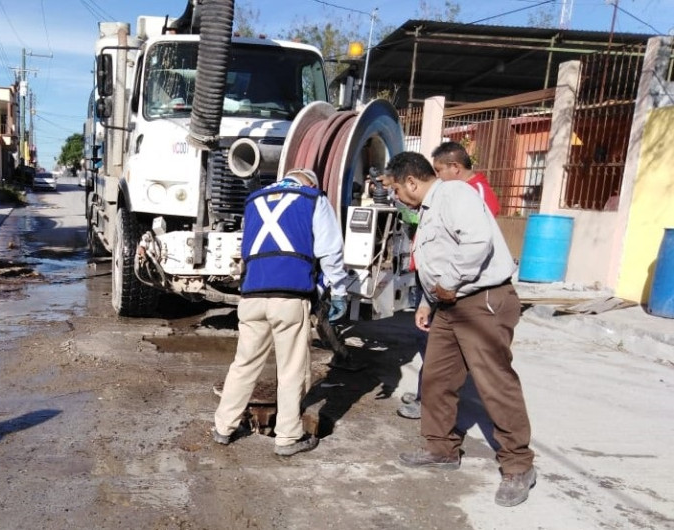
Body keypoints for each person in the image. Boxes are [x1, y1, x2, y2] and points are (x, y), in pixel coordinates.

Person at [378, 152, 536, 508]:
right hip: (449, 305)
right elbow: (436, 259)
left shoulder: (455, 194)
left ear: (411, 182)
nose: (396, 197)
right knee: (437, 378)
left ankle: (518, 465)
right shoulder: (430, 208)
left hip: (481, 303)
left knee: (495, 383)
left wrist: (447, 283)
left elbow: (478, 243)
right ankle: (441, 449)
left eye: (397, 190)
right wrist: (427, 301)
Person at [212, 168, 349, 457]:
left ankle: (223, 427)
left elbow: (246, 249)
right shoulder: (313, 198)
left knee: (244, 364)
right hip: (289, 296)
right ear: (309, 182)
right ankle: (288, 437)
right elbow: (330, 250)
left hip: (251, 296)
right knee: (291, 369)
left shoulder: (254, 201)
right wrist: (338, 291)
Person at [397, 141, 502, 420]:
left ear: (455, 167)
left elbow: (474, 242)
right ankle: (428, 400)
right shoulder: (445, 195)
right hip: (438, 285)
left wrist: (448, 283)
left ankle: (429, 401)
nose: (437, 176)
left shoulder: (471, 192)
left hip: (458, 289)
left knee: (441, 352)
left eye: (439, 170)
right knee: (430, 345)